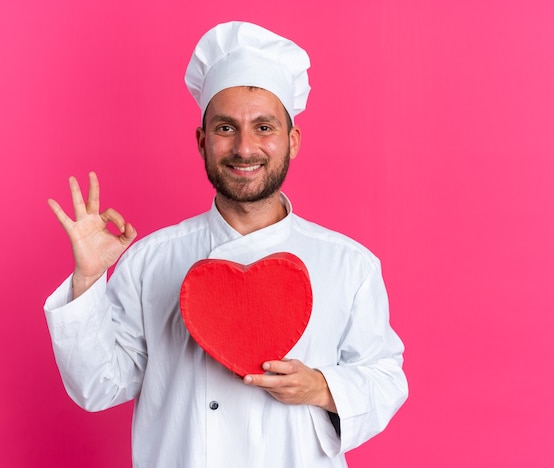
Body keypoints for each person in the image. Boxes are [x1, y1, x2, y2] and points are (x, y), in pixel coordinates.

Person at [44, 21, 408, 468]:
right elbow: (97, 386)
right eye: (225, 128)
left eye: (264, 126)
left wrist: (320, 387)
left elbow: (386, 377)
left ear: (291, 142)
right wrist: (88, 279)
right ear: (202, 142)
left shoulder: (349, 264)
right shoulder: (151, 260)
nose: (245, 147)